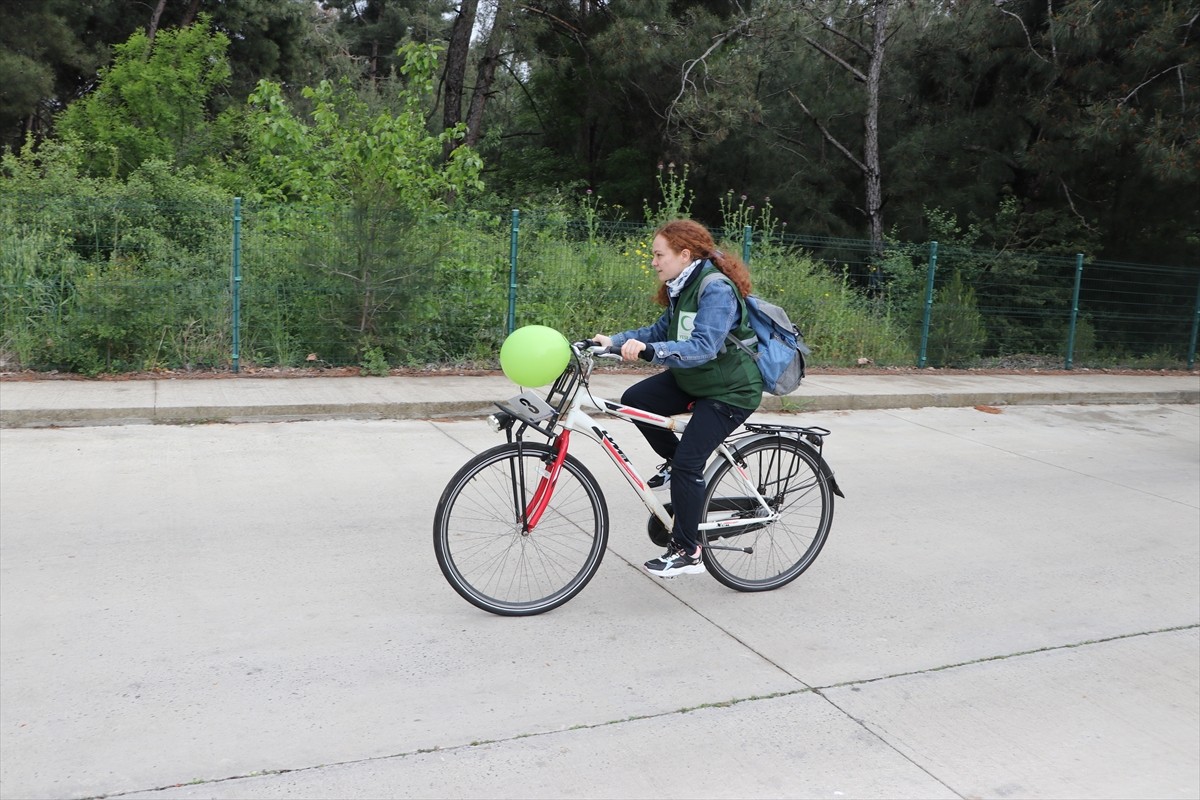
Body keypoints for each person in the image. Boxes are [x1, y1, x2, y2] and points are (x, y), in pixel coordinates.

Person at [593, 219, 763, 578]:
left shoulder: (715, 289)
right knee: (635, 400)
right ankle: (678, 463)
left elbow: (704, 346)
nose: (654, 262)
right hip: (696, 379)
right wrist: (613, 342)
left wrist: (650, 351)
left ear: (685, 255)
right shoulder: (681, 286)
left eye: (659, 255)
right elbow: (659, 331)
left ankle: (689, 550)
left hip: (730, 390)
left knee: (689, 464)